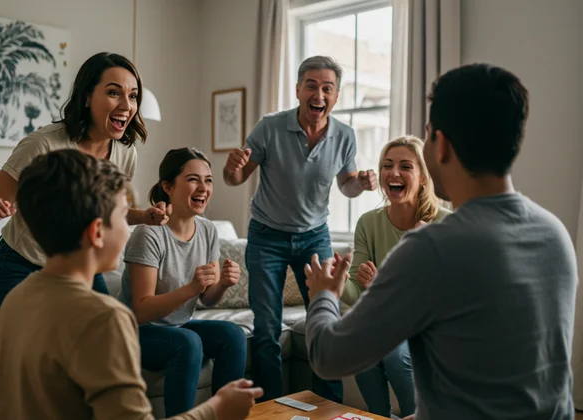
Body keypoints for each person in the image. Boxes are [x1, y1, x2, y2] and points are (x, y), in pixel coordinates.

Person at [303, 63, 577, 420]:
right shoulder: (554, 233)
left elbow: (329, 357)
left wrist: (324, 294)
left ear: (441, 145)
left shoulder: (431, 247)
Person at [0, 149, 263, 420]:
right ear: (96, 232)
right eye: (123, 216)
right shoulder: (106, 318)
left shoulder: (16, 301)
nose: (132, 226)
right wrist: (215, 410)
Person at [222, 55, 378, 402]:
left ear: (336, 96)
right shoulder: (269, 127)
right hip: (267, 236)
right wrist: (232, 167)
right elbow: (236, 178)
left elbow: (346, 184)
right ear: (297, 90)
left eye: (327, 88)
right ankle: (270, 409)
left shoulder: (344, 136)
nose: (319, 94)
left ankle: (330, 408)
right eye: (312, 85)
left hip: (314, 236)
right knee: (265, 329)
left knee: (327, 324)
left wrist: (362, 184)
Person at [0, 52, 170, 313]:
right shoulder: (44, 144)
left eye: (133, 95)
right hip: (21, 266)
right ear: (86, 97)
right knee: (40, 351)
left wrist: (145, 216)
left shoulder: (126, 154)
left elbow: (103, 215)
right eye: (114, 92)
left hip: (82, 265)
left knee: (101, 338)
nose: (127, 105)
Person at [120, 147, 247, 416]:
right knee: (188, 342)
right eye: (193, 179)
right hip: (135, 332)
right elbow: (141, 310)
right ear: (167, 186)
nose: (203, 187)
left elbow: (206, 298)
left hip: (177, 326)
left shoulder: (208, 230)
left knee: (233, 334)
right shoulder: (149, 234)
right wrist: (191, 287)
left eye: (208, 180)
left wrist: (222, 283)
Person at [340, 135, 451, 417]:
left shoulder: (443, 223)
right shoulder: (368, 223)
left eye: (405, 166)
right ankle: (378, 416)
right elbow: (355, 295)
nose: (394, 173)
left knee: (394, 354)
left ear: (424, 177)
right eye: (387, 165)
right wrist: (337, 282)